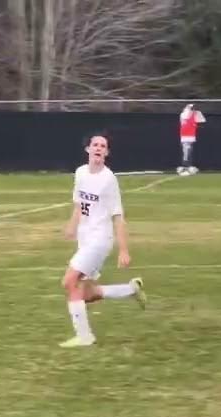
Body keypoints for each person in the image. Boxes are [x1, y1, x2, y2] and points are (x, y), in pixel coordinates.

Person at [59, 133, 146, 348]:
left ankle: (85, 336)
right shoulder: (80, 173)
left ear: (106, 153)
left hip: (100, 240)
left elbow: (118, 217)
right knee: (87, 293)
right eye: (95, 144)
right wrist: (72, 225)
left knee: (69, 282)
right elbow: (79, 205)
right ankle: (131, 289)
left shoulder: (109, 179)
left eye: (103, 146)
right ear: (88, 149)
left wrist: (123, 250)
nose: (98, 148)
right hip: (85, 239)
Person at [177, 103, 205, 175]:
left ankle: (188, 167)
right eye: (192, 108)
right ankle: (185, 168)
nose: (193, 109)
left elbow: (201, 121)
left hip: (190, 136)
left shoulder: (191, 114)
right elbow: (188, 117)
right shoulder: (184, 114)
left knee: (189, 152)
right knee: (186, 152)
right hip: (185, 136)